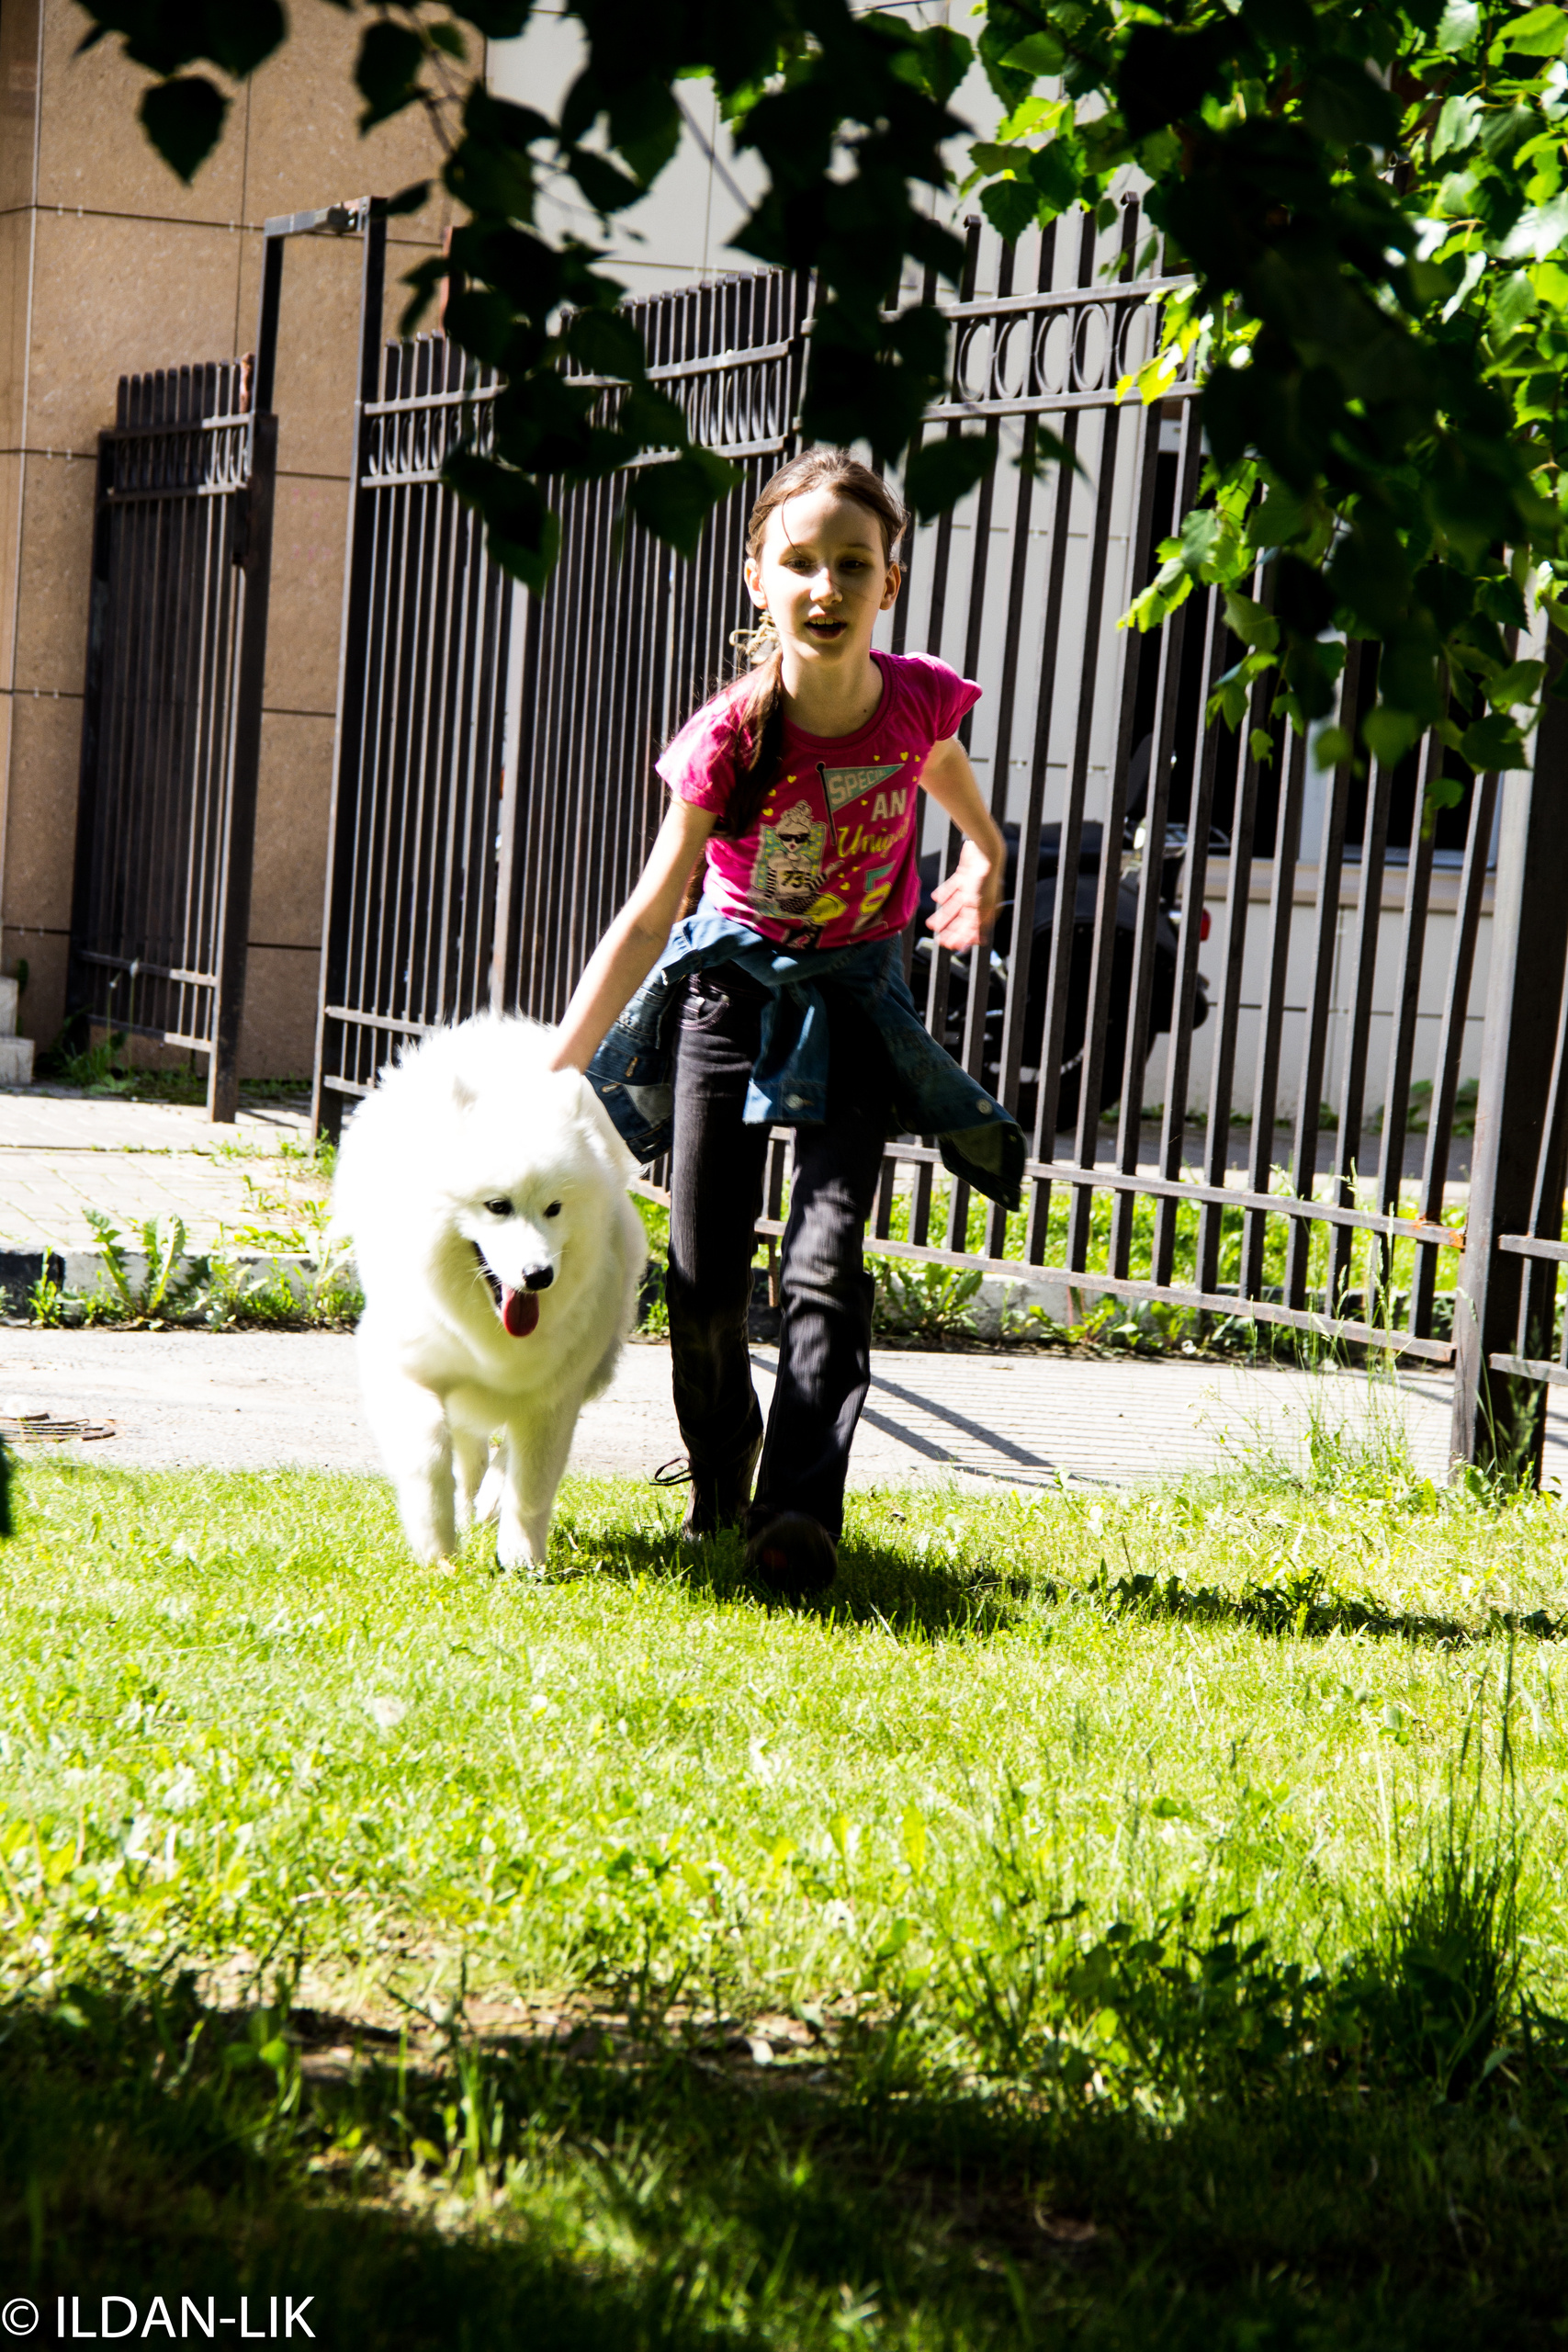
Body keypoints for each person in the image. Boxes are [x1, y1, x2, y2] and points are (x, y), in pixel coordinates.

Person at [549, 449, 1024, 1595]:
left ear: (888, 585)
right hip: (730, 997)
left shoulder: (915, 699)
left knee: (824, 1260)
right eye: (800, 562)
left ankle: (799, 1512)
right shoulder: (731, 734)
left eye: (851, 564)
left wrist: (988, 853)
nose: (826, 584)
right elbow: (655, 902)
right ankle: (723, 1477)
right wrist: (560, 1069)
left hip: (856, 1000)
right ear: (758, 577)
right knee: (708, 1266)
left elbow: (945, 767)